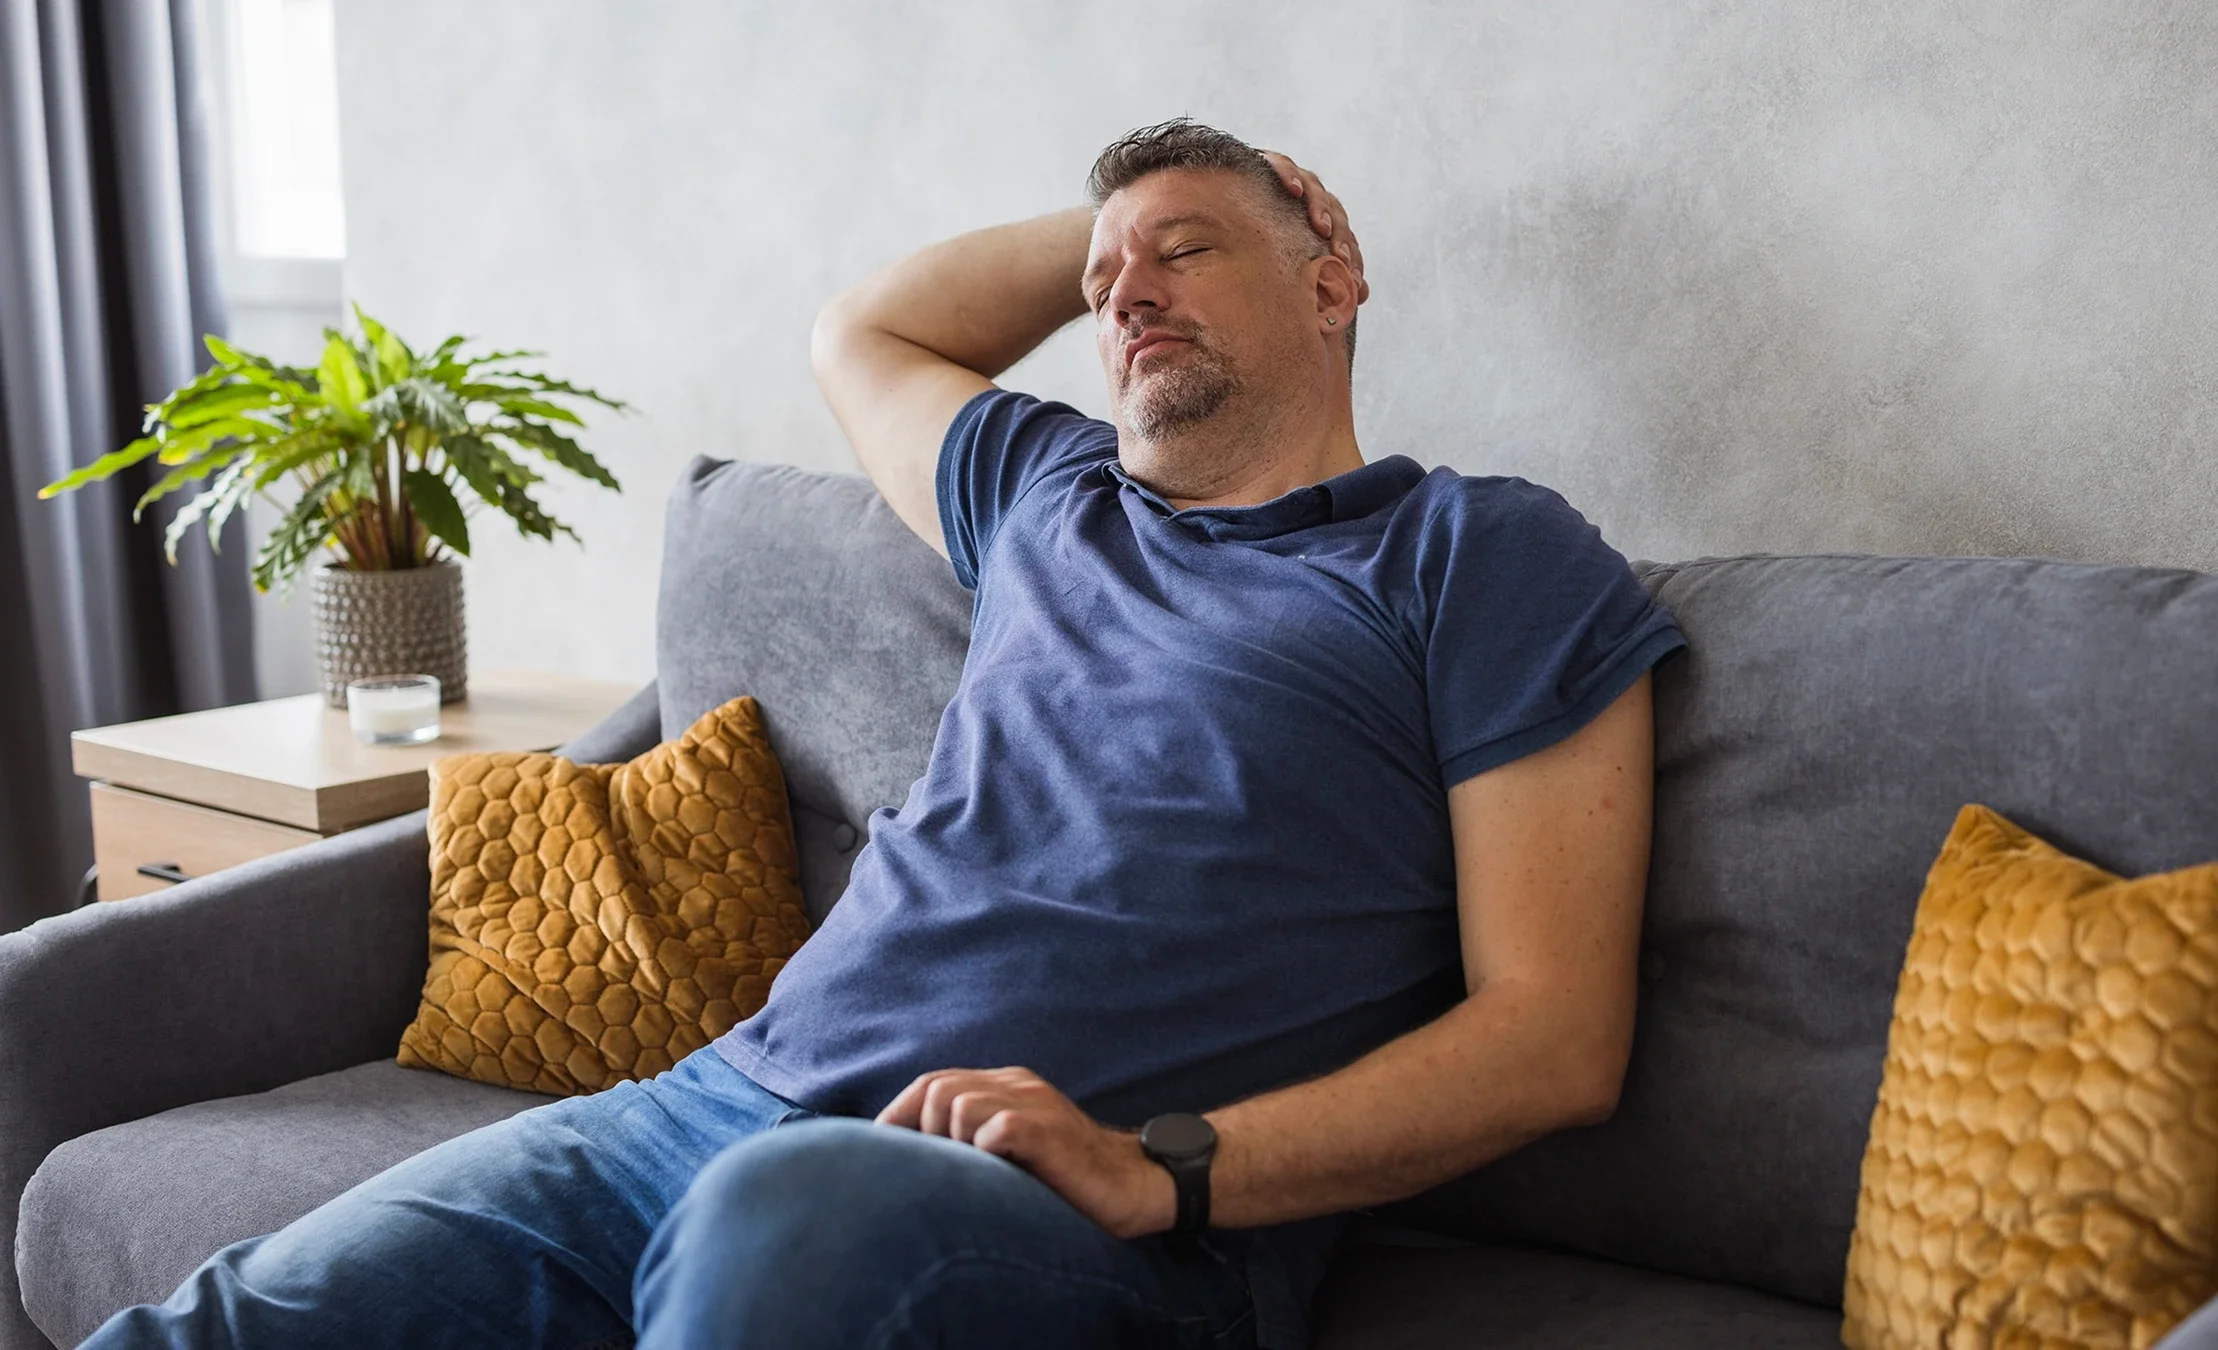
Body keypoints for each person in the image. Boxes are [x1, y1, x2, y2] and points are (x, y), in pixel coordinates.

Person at [85, 118, 1684, 1350]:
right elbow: (861, 333)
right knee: (237, 1313)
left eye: (1188, 254)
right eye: (1103, 283)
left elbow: (1555, 1038)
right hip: (707, 1104)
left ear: (1331, 276)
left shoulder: (1477, 553)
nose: (1126, 295)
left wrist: (1162, 1163)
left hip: (1075, 1203)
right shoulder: (1054, 496)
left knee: (787, 1225)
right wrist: (1128, 221)